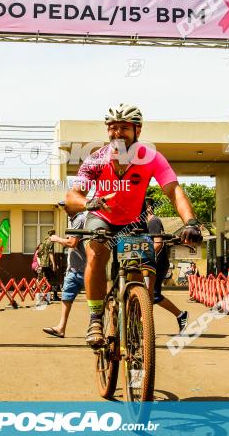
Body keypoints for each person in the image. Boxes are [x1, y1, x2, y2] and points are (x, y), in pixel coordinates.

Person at [64, 103, 202, 347]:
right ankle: (96, 318)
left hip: (133, 223)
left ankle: (135, 321)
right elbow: (71, 198)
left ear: (137, 130)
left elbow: (174, 191)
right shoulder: (96, 160)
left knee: (136, 274)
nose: (117, 133)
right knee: (95, 249)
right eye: (113, 128)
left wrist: (191, 222)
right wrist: (90, 203)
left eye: (124, 128)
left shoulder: (152, 159)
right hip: (102, 217)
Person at [144, 198, 189, 334]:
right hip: (151, 263)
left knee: (152, 295)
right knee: (150, 295)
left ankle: (146, 326)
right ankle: (180, 315)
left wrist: (145, 257)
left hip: (157, 263)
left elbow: (158, 243)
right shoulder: (145, 223)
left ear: (148, 208)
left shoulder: (153, 221)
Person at [43, 202, 87, 338]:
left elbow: (72, 243)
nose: (65, 209)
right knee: (66, 297)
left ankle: (107, 328)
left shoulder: (80, 219)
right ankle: (61, 328)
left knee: (99, 301)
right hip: (74, 268)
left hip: (84, 269)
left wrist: (56, 239)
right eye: (64, 207)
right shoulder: (75, 220)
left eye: (67, 206)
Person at [35, 230, 58, 303]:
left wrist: (41, 262)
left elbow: (38, 253)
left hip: (43, 264)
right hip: (48, 264)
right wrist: (54, 264)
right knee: (53, 280)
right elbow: (51, 253)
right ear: (53, 235)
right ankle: (50, 297)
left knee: (44, 280)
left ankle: (44, 297)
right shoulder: (51, 242)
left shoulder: (44, 242)